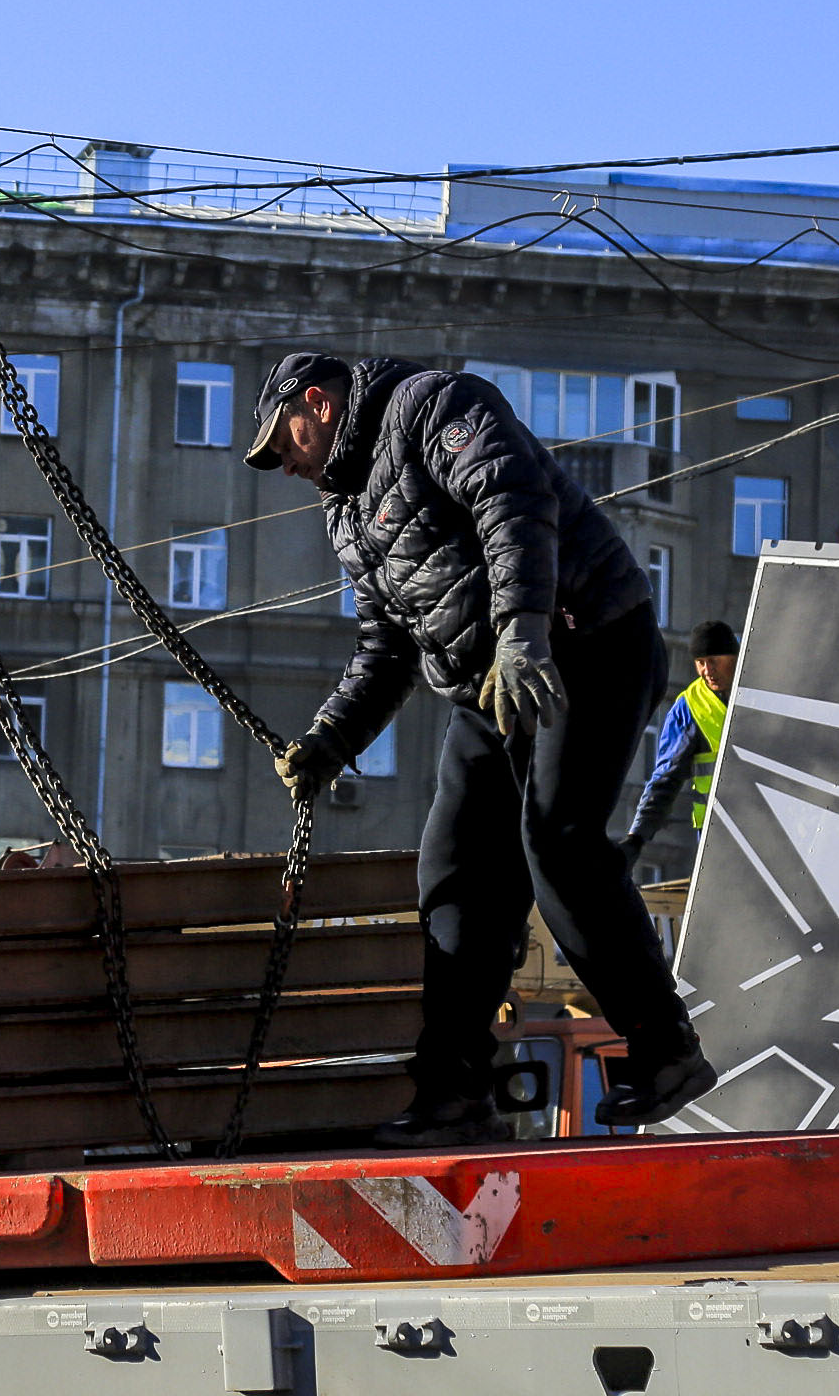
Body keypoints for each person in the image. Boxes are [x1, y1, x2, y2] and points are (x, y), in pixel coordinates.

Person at [244, 348, 715, 1145]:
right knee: (456, 870)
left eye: (282, 440)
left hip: (586, 642)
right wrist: (330, 740)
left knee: (558, 843)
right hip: (489, 687)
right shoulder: (347, 509)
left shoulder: (433, 406)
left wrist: (523, 634)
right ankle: (454, 1093)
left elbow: (514, 504)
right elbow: (385, 645)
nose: (282, 462)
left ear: (317, 403)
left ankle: (665, 1047)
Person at [623, 619, 738, 860]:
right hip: (717, 835)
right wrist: (638, 835)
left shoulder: (763, 694)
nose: (708, 671)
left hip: (772, 823)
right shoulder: (688, 708)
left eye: (714, 661)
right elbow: (666, 776)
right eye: (700, 663)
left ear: (735, 657)